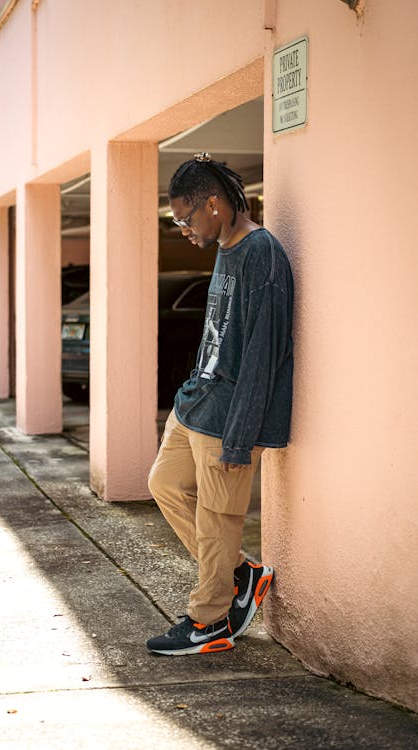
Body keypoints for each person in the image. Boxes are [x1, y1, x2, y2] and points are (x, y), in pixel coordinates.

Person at [146, 152, 294, 656]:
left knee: (216, 522)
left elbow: (262, 354)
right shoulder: (225, 247)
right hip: (196, 404)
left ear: (214, 203)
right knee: (162, 484)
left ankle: (209, 623)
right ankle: (240, 573)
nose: (183, 229)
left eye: (186, 218)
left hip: (229, 416)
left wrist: (240, 436)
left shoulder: (262, 254)